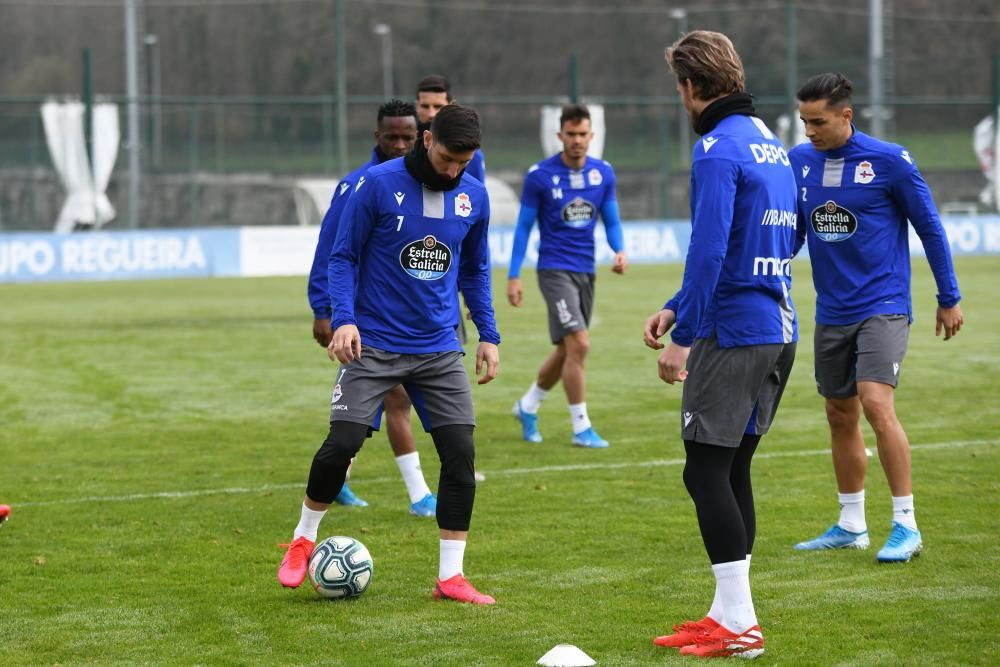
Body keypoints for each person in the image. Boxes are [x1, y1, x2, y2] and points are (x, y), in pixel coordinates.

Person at [278, 104, 501, 605]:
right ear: (426, 140)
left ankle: (451, 576)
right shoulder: (376, 185)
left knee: (460, 457)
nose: (452, 171)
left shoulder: (474, 197)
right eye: (446, 158)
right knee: (344, 441)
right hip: (373, 343)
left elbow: (475, 271)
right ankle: (302, 537)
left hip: (440, 348)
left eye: (463, 163)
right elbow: (344, 255)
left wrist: (488, 333)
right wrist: (344, 318)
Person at [644, 30, 798, 658]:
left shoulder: (714, 148)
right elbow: (786, 240)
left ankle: (742, 626)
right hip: (778, 326)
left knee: (703, 470)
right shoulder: (772, 145)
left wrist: (685, 336)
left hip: (732, 333)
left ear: (691, 86)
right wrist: (679, 303)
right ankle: (725, 612)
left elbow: (709, 249)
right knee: (732, 468)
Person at [788, 73, 963, 562]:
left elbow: (929, 227)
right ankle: (850, 523)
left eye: (818, 121)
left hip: (883, 304)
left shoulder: (889, 161)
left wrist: (948, 296)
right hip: (832, 309)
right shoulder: (800, 162)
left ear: (847, 115)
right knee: (838, 412)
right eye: (804, 121)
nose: (809, 131)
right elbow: (798, 231)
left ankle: (906, 524)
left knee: (874, 402)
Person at [307, 100, 438, 517]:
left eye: (407, 137)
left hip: (401, 312)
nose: (399, 144)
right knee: (392, 400)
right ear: (376, 136)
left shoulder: (425, 183)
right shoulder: (357, 185)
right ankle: (419, 495)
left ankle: (340, 480)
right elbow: (331, 250)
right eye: (391, 136)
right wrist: (322, 308)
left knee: (376, 408)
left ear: (420, 137)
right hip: (358, 314)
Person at [507, 103, 627, 448]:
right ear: (560, 136)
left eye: (582, 134)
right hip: (554, 270)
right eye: (570, 134)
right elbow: (523, 229)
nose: (577, 140)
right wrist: (514, 276)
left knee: (567, 350)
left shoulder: (603, 174)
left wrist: (619, 251)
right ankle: (580, 427)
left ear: (592, 136)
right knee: (580, 344)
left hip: (586, 271)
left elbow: (612, 221)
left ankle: (527, 406)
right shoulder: (540, 176)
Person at [415, 74, 485, 183]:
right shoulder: (401, 146)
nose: (431, 114)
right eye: (425, 106)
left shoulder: (472, 156)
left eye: (438, 106)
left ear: (450, 105)